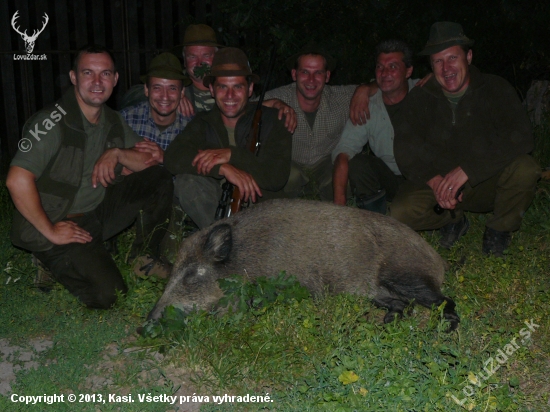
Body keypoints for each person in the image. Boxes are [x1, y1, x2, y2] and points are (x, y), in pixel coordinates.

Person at [6, 45, 174, 309]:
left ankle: (144, 258)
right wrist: (50, 230)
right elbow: (16, 180)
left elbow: (150, 161)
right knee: (109, 296)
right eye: (88, 73)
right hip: (60, 221)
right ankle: (48, 258)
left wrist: (118, 154)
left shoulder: (113, 120)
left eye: (105, 74)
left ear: (115, 80)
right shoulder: (51, 122)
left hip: (97, 212)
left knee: (158, 178)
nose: (97, 82)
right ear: (74, 77)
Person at [390, 22, 541, 257]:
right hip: (439, 189)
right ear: (431, 65)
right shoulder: (419, 97)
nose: (446, 68)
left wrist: (468, 170)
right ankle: (454, 221)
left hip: (484, 183)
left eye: (452, 58)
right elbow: (404, 147)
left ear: (468, 56)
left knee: (526, 169)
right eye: (438, 61)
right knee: (400, 212)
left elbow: (521, 137)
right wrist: (435, 182)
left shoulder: (496, 88)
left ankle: (499, 229)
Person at [164, 47, 292, 229]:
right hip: (217, 207)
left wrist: (232, 155)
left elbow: (276, 177)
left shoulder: (274, 120)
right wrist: (223, 168)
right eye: (222, 87)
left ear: (250, 89)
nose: (230, 96)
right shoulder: (203, 122)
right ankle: (220, 239)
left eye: (238, 86)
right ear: (211, 89)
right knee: (187, 182)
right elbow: (173, 157)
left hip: (262, 207)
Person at [261, 42, 370, 200]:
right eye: (305, 72)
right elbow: (242, 107)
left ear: (327, 76)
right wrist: (273, 103)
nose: (311, 80)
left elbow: (382, 86)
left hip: (325, 163)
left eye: (318, 72)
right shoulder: (280, 96)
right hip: (291, 163)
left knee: (345, 178)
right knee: (286, 178)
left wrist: (364, 89)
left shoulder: (342, 98)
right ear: (294, 74)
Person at [332, 40, 418, 213]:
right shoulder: (367, 105)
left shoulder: (425, 92)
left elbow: (446, 80)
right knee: (357, 164)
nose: (385, 73)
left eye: (393, 67)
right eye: (380, 67)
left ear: (409, 71)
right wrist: (338, 208)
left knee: (403, 214)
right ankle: (375, 219)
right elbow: (343, 152)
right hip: (390, 179)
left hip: (423, 177)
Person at [120, 52, 192, 156]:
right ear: (146, 90)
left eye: (172, 88)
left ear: (182, 92)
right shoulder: (125, 120)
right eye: (157, 88)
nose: (165, 96)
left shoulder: (193, 128)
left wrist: (165, 158)